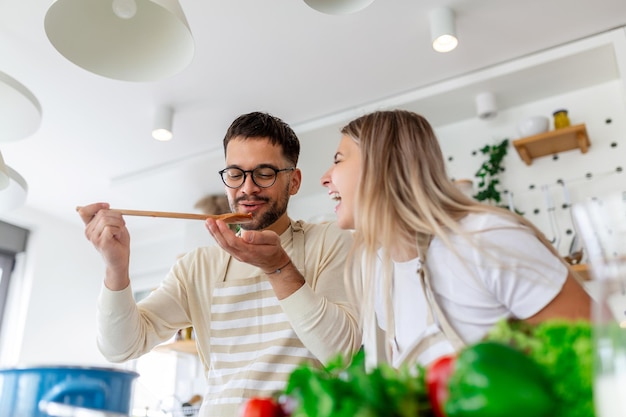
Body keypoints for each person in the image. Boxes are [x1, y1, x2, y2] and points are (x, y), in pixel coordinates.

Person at [78, 111, 360, 417]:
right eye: (236, 174)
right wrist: (116, 267)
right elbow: (120, 347)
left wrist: (278, 268)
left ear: (293, 182)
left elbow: (340, 353)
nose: (247, 188)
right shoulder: (198, 266)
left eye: (264, 173)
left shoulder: (331, 241)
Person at [320, 109, 591, 369]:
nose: (325, 178)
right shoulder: (378, 268)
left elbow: (592, 347)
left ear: (382, 163)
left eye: (338, 159)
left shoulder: (484, 238)